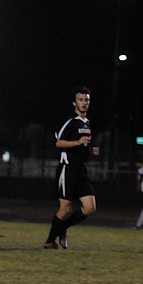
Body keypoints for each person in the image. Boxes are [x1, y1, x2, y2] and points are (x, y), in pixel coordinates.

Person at [43, 86, 98, 249]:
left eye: (86, 100)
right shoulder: (70, 122)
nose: (84, 103)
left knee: (90, 208)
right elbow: (59, 142)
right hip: (67, 169)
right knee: (66, 208)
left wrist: (92, 149)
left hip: (81, 170)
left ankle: (63, 228)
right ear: (74, 103)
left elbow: (86, 143)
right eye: (80, 100)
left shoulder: (87, 123)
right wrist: (77, 142)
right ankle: (49, 241)